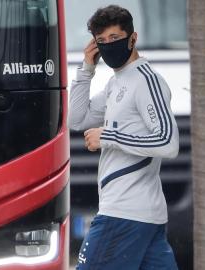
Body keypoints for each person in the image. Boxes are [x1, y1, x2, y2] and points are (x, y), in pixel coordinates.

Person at [68, 5, 180, 270]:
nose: (109, 46)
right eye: (101, 42)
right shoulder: (115, 83)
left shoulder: (146, 81)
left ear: (133, 38)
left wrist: (108, 136)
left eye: (115, 39)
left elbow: (168, 142)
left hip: (124, 214)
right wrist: (86, 70)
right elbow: (77, 119)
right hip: (141, 217)